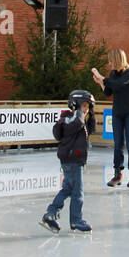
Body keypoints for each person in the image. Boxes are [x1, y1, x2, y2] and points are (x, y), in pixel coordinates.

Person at [41, 90, 96, 234]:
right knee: (78, 192)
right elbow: (74, 124)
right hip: (72, 159)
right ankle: (76, 220)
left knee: (67, 189)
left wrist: (91, 114)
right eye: (84, 106)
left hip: (74, 160)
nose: (86, 109)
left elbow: (90, 130)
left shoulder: (81, 120)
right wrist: (80, 113)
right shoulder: (69, 119)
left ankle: (51, 213)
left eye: (88, 107)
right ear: (75, 105)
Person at [94, 48, 129, 188]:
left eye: (111, 61)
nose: (109, 64)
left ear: (117, 60)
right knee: (117, 144)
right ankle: (117, 174)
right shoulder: (113, 74)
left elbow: (117, 85)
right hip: (117, 113)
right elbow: (108, 91)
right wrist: (100, 82)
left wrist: (102, 77)